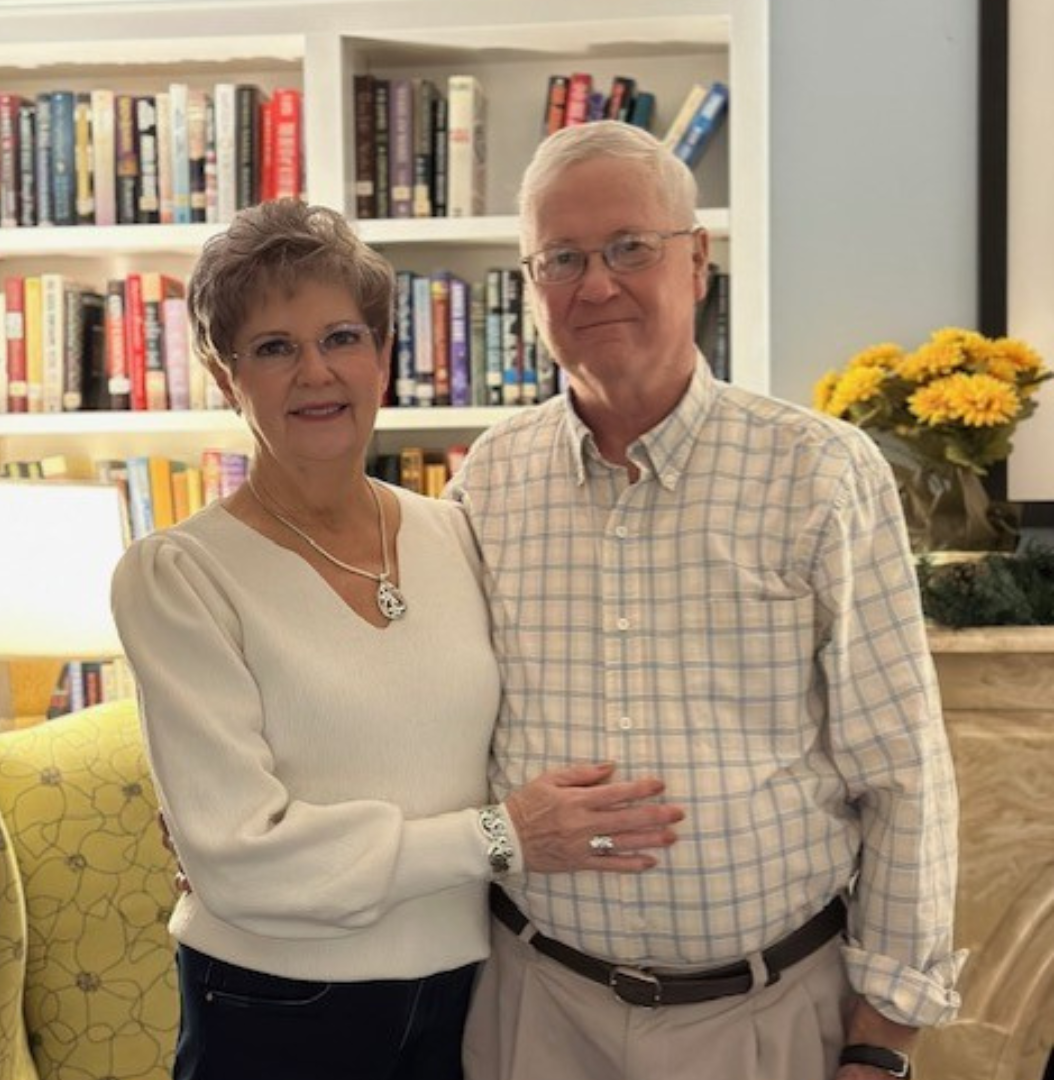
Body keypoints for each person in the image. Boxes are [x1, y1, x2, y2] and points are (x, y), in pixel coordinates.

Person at [110, 200, 685, 1080]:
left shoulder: (454, 531)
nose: (316, 373)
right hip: (274, 1002)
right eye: (274, 347)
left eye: (341, 338)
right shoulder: (178, 574)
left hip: (466, 989)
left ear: (382, 356)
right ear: (227, 379)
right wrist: (501, 836)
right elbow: (241, 858)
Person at [449, 121, 965, 1080]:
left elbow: (902, 770)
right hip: (538, 1009)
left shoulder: (819, 472)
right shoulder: (490, 478)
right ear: (530, 285)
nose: (595, 284)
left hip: (767, 1016)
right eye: (562, 258)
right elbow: (432, 716)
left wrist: (884, 1035)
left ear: (697, 263)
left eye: (628, 248)